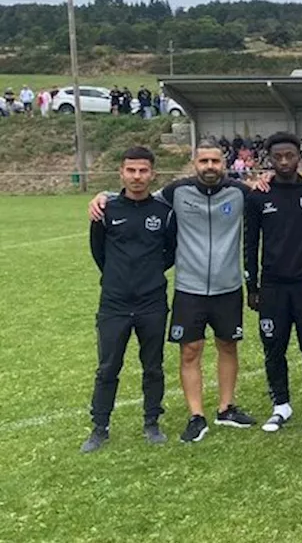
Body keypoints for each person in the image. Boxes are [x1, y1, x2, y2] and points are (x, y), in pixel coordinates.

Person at [89, 141, 256, 443]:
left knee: (228, 346)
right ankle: (196, 416)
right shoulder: (175, 192)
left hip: (228, 286)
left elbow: (272, 193)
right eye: (203, 161)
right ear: (194, 163)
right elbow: (137, 198)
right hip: (189, 287)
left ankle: (226, 407)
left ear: (224, 163)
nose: (209, 166)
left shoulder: (240, 192)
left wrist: (266, 180)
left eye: (215, 161)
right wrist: (104, 196)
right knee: (190, 350)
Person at [82, 147, 178, 453]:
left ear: (153, 174)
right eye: (131, 170)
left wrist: (147, 275)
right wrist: (117, 278)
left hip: (152, 303)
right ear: (121, 173)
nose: (137, 177)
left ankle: (152, 423)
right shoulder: (106, 210)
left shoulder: (164, 213)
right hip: (114, 303)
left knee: (153, 366)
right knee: (108, 367)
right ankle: (100, 428)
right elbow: (99, 252)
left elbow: (170, 253)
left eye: (143, 171)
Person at [244, 132, 302, 433]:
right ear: (269, 159)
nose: (284, 161)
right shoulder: (258, 195)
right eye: (278, 157)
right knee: (274, 347)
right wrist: (252, 286)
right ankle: (280, 406)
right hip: (272, 286)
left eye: (289, 156)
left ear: (300, 156)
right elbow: (249, 243)